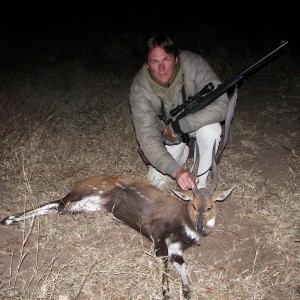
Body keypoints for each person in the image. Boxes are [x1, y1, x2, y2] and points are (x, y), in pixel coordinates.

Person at [129, 35, 229, 191]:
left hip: (196, 122)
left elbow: (222, 104)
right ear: (147, 65)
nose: (161, 68)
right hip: (169, 135)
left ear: (176, 59)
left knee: (211, 130)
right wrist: (177, 171)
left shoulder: (194, 64)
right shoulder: (139, 88)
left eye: (166, 59)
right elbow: (147, 136)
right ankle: (183, 153)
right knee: (156, 182)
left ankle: (199, 185)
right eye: (155, 62)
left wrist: (184, 124)